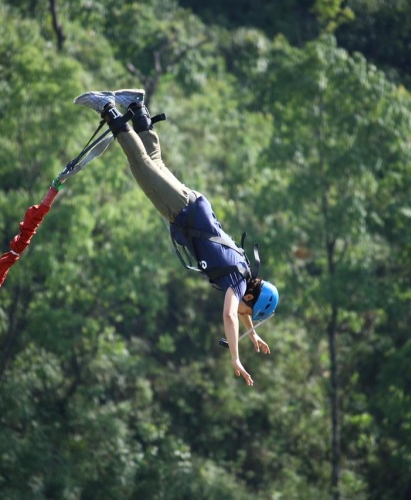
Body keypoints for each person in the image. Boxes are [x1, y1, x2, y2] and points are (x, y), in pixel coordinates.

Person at [74, 89, 279, 386]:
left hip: (192, 204)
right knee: (141, 165)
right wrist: (236, 356)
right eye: (250, 312)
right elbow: (231, 316)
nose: (245, 314)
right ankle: (108, 107)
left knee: (154, 162)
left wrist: (254, 332)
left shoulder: (244, 274)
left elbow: (243, 310)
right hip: (183, 211)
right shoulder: (237, 283)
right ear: (249, 297)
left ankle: (137, 107)